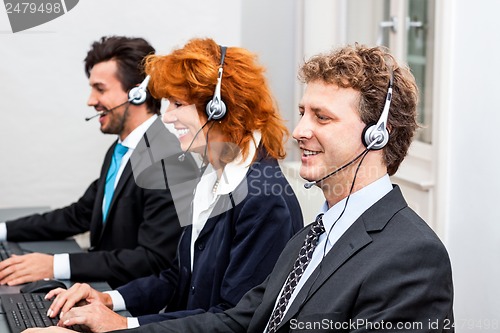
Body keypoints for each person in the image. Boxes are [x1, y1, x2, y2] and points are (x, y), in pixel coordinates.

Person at [27, 43, 455, 333]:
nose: (300, 130)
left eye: (322, 118)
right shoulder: (316, 234)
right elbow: (245, 318)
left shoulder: (412, 256)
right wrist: (111, 313)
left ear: (378, 135)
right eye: (304, 112)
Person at [30, 38, 304, 332]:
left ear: (218, 107)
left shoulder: (263, 197)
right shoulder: (211, 175)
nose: (168, 117)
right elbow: (177, 277)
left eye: (178, 104)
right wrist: (107, 299)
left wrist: (123, 326)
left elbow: (236, 319)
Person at [0, 36, 191, 289]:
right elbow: (79, 215)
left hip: (130, 305)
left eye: (100, 89)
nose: (91, 101)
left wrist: (54, 265)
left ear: (137, 93)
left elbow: (152, 258)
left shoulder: (168, 159)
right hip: (100, 289)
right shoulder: (122, 149)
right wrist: (3, 230)